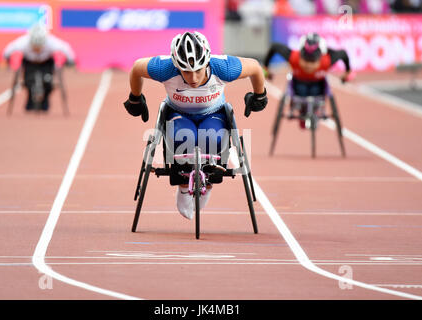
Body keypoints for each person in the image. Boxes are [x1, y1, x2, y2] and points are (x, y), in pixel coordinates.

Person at [124, 31, 267, 219]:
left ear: (207, 62)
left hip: (214, 114)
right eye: (186, 71)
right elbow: (136, 69)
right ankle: (184, 186)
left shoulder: (224, 68)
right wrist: (135, 98)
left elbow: (256, 68)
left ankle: (207, 183)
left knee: (213, 138)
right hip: (178, 113)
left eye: (198, 70)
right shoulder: (165, 69)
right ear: (176, 66)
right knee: (182, 137)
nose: (192, 78)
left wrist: (260, 95)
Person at [263, 32, 351, 128]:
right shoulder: (293, 57)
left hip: (317, 88)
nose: (308, 66)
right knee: (301, 89)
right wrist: (266, 69)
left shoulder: (327, 60)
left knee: (316, 89)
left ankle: (315, 110)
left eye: (312, 62)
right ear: (301, 56)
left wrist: (347, 72)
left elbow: (344, 54)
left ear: (320, 58)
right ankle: (302, 111)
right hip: (299, 87)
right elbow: (274, 47)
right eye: (305, 61)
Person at [3, 23, 75, 112]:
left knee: (48, 82)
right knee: (28, 81)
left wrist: (70, 60)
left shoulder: (52, 42)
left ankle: (45, 101)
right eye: (35, 46)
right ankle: (30, 100)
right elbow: (8, 50)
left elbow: (66, 49)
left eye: (40, 46)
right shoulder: (23, 42)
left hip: (46, 62)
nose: (37, 49)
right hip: (30, 62)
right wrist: (8, 58)